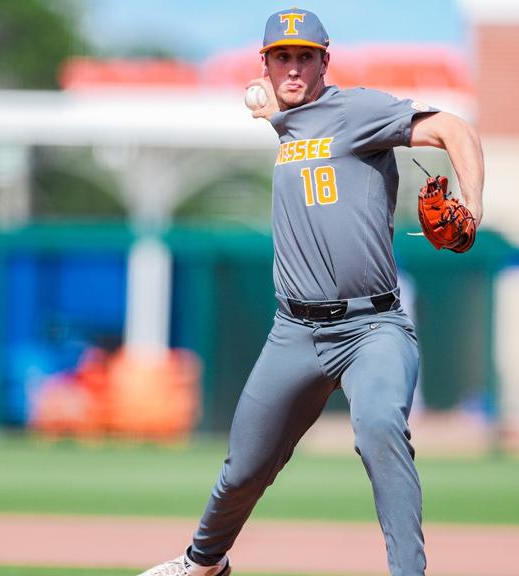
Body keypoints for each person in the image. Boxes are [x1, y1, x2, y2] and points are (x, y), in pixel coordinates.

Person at [140, 7, 484, 576]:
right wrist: (266, 100)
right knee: (245, 467)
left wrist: (472, 204)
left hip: (371, 326)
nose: (293, 66)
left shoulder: (358, 110)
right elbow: (278, 107)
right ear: (267, 63)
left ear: (326, 61)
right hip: (294, 332)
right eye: (282, 57)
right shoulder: (287, 114)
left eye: (305, 56)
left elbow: (454, 129)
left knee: (379, 427)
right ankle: (203, 564)